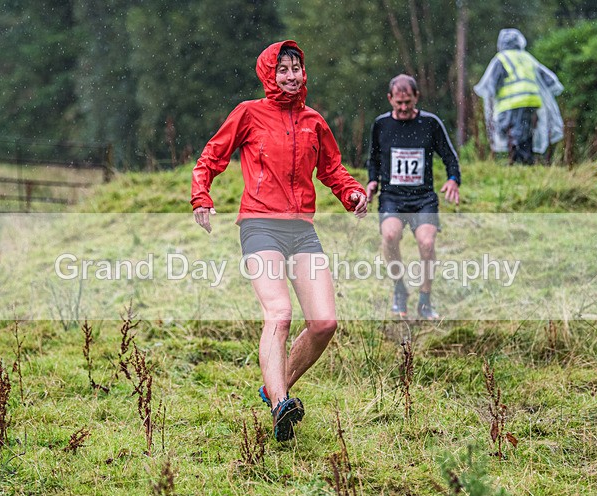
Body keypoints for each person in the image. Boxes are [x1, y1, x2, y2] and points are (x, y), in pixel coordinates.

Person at [191, 40, 367, 442]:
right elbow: (211, 156)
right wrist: (201, 195)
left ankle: (276, 387)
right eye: (282, 69)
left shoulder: (314, 121)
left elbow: (333, 169)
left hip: (301, 230)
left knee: (324, 323)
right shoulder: (249, 114)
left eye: (296, 69)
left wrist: (352, 194)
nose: (290, 76)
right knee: (280, 313)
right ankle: (280, 407)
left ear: (304, 74)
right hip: (260, 226)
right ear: (269, 74)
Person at [366, 74, 461, 320]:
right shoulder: (381, 124)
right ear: (390, 99)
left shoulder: (430, 123)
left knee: (427, 244)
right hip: (392, 197)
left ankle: (425, 300)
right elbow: (374, 159)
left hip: (423, 198)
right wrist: (372, 181)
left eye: (408, 102)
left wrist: (453, 179)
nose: (404, 108)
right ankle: (399, 289)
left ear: (416, 97)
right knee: (389, 235)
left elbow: (450, 157)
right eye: (399, 103)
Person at [474, 28, 564, 165]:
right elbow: (549, 79)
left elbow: (489, 84)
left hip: (513, 102)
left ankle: (519, 161)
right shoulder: (527, 57)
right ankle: (527, 160)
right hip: (533, 101)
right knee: (527, 132)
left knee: (514, 132)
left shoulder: (502, 58)